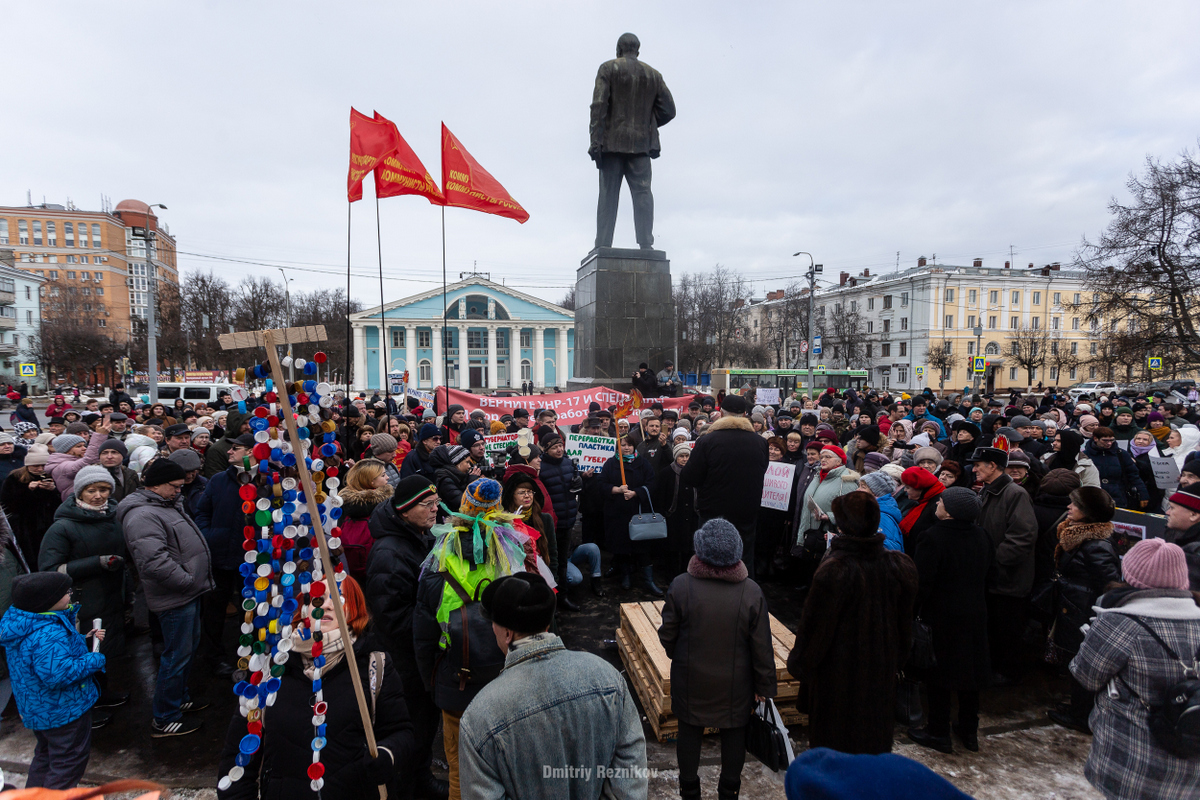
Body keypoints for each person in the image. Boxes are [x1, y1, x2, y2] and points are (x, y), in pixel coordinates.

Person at [215, 576, 415, 800]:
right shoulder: (269, 672)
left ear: (354, 612)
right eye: (318, 597)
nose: (327, 604)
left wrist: (387, 754)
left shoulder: (375, 666)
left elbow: (402, 733)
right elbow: (237, 757)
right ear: (304, 608)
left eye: (340, 599)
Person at [458, 573, 648, 799]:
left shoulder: (479, 718)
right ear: (547, 624)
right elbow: (631, 772)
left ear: (507, 634)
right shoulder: (608, 679)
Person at [412, 479, 529, 800]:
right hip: (507, 685)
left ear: (462, 508)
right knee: (508, 769)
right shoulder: (511, 558)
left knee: (460, 774)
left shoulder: (438, 562)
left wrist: (432, 684)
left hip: (456, 686)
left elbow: (423, 636)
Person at [787, 491, 918, 754]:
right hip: (880, 674)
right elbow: (905, 626)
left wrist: (800, 665)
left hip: (836, 678)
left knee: (833, 753)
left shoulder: (836, 570)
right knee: (871, 750)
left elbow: (815, 629)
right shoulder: (899, 565)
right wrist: (896, 661)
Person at [1070, 538, 1200, 799]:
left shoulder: (1119, 623)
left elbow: (1085, 675)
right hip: (1192, 754)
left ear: (1131, 574)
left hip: (1132, 759)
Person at [659, 518, 776, 800]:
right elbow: (762, 646)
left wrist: (682, 657)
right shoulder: (751, 591)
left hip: (690, 679)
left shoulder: (681, 585)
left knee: (689, 732)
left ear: (699, 550)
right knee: (734, 734)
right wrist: (765, 687)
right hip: (736, 685)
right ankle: (729, 792)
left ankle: (689, 791)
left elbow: (667, 635)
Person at [363, 476, 448, 800]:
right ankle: (409, 787)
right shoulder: (389, 554)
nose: (434, 510)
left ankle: (419, 777)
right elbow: (392, 618)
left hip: (419, 654)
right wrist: (437, 624)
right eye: (428, 505)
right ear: (405, 510)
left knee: (424, 724)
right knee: (412, 725)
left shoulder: (417, 535)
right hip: (405, 660)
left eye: (435, 503)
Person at [117, 457, 214, 737]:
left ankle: (179, 698)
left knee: (186, 650)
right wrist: (185, 581)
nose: (179, 491)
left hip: (188, 592)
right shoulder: (143, 515)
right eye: (174, 486)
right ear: (156, 485)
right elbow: (153, 562)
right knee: (176, 656)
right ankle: (165, 717)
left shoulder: (165, 504)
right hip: (176, 596)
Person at [906, 488, 994, 755]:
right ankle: (969, 730)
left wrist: (913, 610)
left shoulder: (933, 537)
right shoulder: (982, 535)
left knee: (940, 675)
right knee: (970, 673)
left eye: (942, 502)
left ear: (952, 510)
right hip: (975, 613)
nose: (938, 504)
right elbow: (991, 572)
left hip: (941, 615)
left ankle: (938, 731)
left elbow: (922, 582)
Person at [37, 465, 128, 718]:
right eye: (91, 490)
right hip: (81, 601)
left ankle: (100, 694)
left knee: (102, 651)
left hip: (110, 595)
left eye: (104, 489)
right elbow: (49, 569)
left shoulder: (112, 517)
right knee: (83, 653)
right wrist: (96, 563)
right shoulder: (62, 527)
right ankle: (84, 708)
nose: (98, 495)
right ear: (80, 492)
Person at [0, 572, 106, 789]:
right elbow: (58, 674)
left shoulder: (26, 622)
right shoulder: (48, 632)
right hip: (63, 712)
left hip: (41, 710)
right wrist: (94, 659)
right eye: (66, 592)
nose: (70, 594)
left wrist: (83, 639)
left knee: (46, 758)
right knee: (67, 765)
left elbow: (44, 658)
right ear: (47, 601)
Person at [1043, 486, 1120, 734]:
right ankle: (1078, 707)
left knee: (1082, 661)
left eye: (1074, 504)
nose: (1068, 507)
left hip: (1083, 611)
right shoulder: (1076, 535)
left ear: (1088, 513)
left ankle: (1081, 715)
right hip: (1072, 604)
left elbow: (1108, 585)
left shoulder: (1096, 545)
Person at [968, 445, 1038, 685]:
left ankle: (1008, 674)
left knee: (1007, 629)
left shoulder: (1014, 494)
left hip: (1008, 579)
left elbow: (1023, 536)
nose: (974, 469)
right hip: (991, 576)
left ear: (993, 467)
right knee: (993, 627)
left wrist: (994, 562)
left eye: (978, 465)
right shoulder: (987, 491)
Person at [681, 394, 770, 579]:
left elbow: (689, 476)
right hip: (747, 512)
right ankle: (745, 600)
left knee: (708, 557)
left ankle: (708, 598)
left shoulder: (707, 441)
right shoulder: (760, 442)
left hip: (713, 511)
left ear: (721, 413)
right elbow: (762, 470)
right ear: (745, 414)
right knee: (744, 557)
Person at [194, 433, 254, 678]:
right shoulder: (219, 480)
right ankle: (214, 656)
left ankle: (248, 656)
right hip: (220, 555)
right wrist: (209, 536)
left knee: (248, 609)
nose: (228, 452)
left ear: (251, 452)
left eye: (235, 448)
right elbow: (202, 511)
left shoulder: (269, 479)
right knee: (214, 609)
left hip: (252, 561)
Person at [600, 434, 659, 594]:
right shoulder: (611, 464)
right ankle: (625, 576)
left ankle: (649, 580)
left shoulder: (643, 463)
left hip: (638, 512)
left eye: (629, 445)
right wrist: (617, 490)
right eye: (623, 445)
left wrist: (636, 493)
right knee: (622, 546)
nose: (626, 448)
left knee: (642, 548)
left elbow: (652, 483)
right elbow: (602, 484)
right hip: (617, 513)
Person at [337, 459, 394, 586]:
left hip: (351, 574)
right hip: (381, 572)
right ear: (371, 481)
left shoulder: (345, 504)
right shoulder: (384, 506)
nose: (388, 478)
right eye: (383, 475)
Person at [1, 445, 60, 561]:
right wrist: (27, 491)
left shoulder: (53, 475)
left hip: (50, 523)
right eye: (35, 466)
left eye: (43, 465)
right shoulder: (14, 478)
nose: (40, 469)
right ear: (27, 465)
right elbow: (8, 505)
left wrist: (54, 490)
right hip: (27, 527)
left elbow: (61, 502)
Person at [1084, 426, 1148, 510]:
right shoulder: (1085, 455)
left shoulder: (1121, 454)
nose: (1109, 443)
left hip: (1118, 497)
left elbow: (1133, 475)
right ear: (1096, 439)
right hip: (1093, 497)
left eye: (1112, 440)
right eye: (1105, 440)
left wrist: (1143, 494)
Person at [46, 429, 109, 502]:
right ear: (66, 450)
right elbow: (89, 460)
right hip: (77, 505)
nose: (84, 448)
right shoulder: (62, 466)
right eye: (79, 446)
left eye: (84, 445)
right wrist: (99, 435)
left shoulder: (74, 460)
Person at [897, 465, 945, 556]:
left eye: (908, 487)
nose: (905, 490)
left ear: (920, 488)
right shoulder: (924, 501)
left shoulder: (938, 506)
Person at [1164, 489, 1200, 591]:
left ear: (1194, 515)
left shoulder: (1194, 553)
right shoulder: (1186, 539)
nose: (1167, 512)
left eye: (1172, 508)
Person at [858, 471, 903, 552]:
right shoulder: (873, 510)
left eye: (863, 487)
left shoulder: (881, 516)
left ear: (875, 492)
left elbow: (890, 548)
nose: (858, 490)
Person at [432, 444, 474, 512]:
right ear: (457, 462)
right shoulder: (445, 479)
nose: (469, 466)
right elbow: (462, 502)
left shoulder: (458, 475)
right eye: (467, 462)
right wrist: (472, 481)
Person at [168, 448, 207, 520]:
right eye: (185, 472)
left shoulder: (206, 485)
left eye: (193, 471)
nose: (189, 476)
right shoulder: (166, 489)